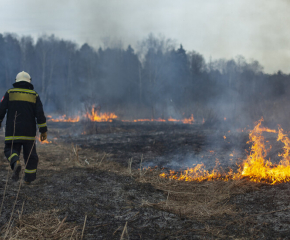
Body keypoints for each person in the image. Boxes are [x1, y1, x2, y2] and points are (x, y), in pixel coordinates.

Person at [0, 71, 47, 184]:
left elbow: (1, 110)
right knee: (31, 156)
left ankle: (15, 162)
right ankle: (28, 180)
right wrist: (43, 130)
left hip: (13, 131)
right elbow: (39, 114)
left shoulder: (9, 93)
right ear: (29, 82)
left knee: (10, 149)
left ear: (17, 81)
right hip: (29, 133)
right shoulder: (34, 95)